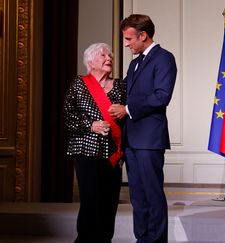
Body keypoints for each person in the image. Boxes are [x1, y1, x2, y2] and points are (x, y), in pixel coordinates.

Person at [108, 14, 177, 243]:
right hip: (132, 140)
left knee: (152, 194)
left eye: (129, 39)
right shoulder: (135, 63)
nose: (126, 44)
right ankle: (143, 239)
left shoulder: (164, 58)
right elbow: (125, 90)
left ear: (143, 35)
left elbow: (161, 96)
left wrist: (127, 110)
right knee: (137, 197)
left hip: (149, 140)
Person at [63, 42, 126, 243]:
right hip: (85, 150)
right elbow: (67, 115)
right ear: (91, 62)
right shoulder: (79, 83)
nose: (109, 59)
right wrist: (91, 125)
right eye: (103, 56)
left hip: (112, 152)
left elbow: (128, 115)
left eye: (110, 56)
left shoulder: (120, 85)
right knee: (91, 201)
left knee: (110, 201)